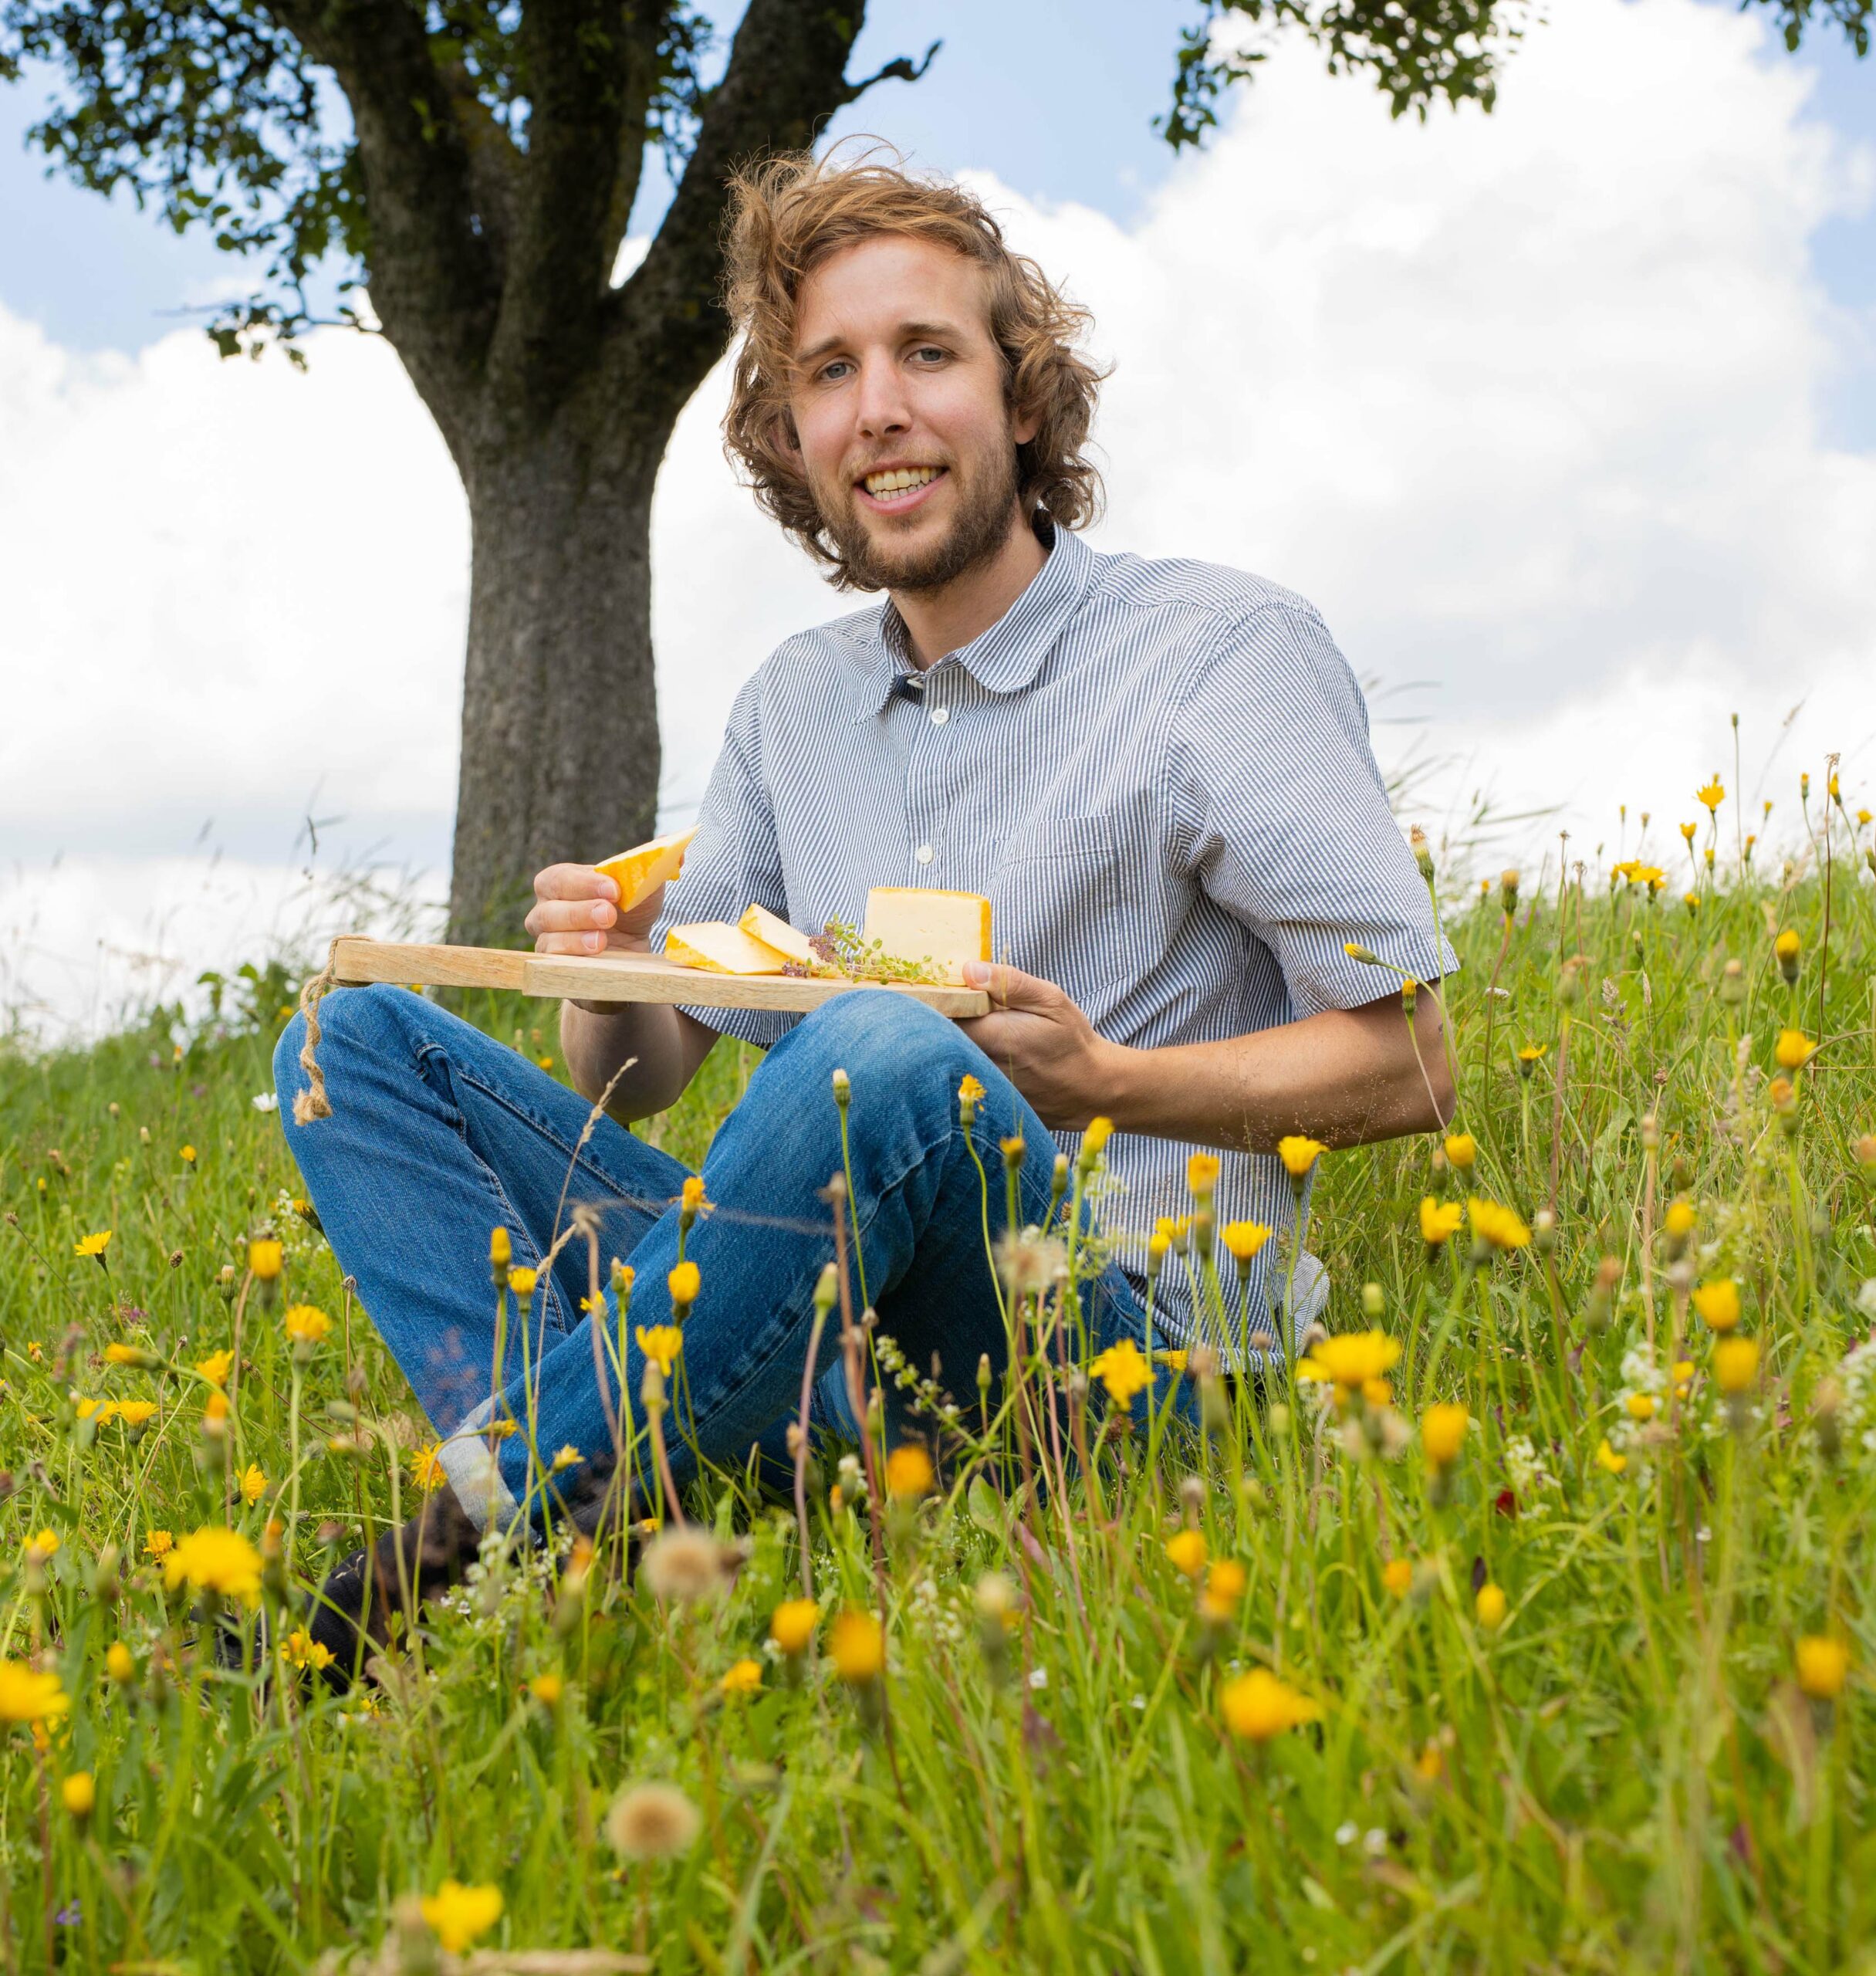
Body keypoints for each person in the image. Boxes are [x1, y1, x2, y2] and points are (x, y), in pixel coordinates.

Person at [275, 147, 1455, 1663]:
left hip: (1122, 1359)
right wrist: (618, 971)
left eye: (926, 353)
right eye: (828, 371)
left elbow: (1411, 1062)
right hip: (834, 1351)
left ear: (1021, 398)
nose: (877, 404)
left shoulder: (1219, 651)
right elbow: (636, 1078)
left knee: (882, 1056)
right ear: (796, 437)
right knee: (354, 1039)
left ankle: (444, 1554)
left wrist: (1107, 1083)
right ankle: (638, 1486)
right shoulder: (792, 707)